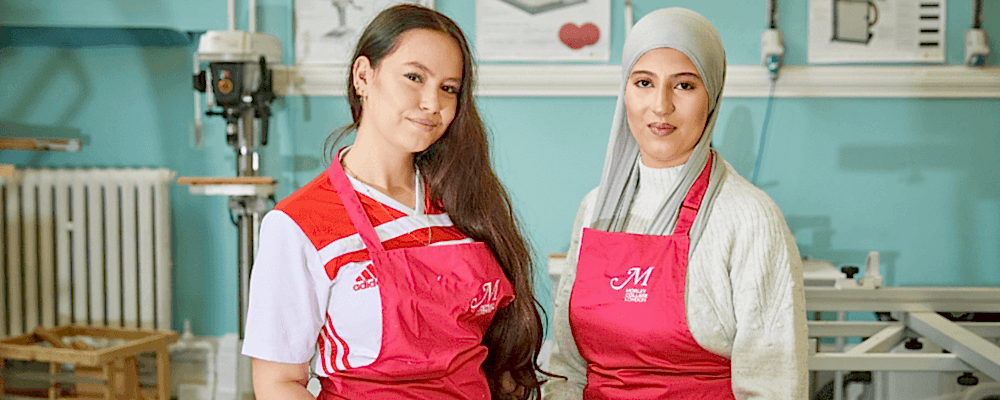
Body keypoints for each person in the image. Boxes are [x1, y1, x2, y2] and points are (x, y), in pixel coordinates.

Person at [242, 5, 545, 399]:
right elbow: (278, 384)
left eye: (448, 88)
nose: (432, 103)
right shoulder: (299, 224)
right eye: (414, 77)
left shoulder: (466, 205)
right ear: (363, 76)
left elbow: (496, 356)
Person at [543, 8, 808, 400]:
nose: (661, 105)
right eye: (644, 82)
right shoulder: (596, 208)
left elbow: (773, 386)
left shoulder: (749, 217)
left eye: (684, 85)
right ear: (625, 92)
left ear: (712, 96)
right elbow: (567, 366)